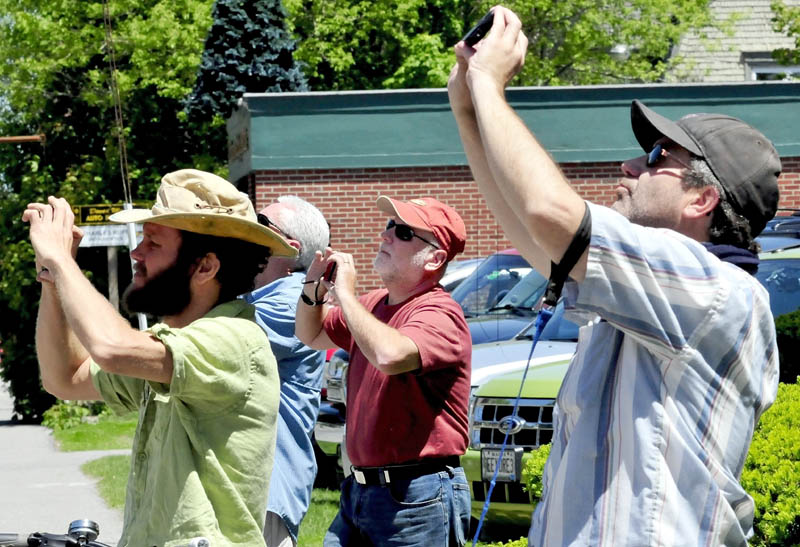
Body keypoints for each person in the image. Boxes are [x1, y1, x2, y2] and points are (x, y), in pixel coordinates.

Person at [448, 7, 780, 546]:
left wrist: (490, 85)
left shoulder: (714, 289)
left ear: (702, 198)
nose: (630, 165)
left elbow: (550, 214)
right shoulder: (655, 293)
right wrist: (468, 111)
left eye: (656, 156)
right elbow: (539, 237)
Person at [23, 169, 298, 547]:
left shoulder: (235, 340)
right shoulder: (170, 347)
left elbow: (111, 348)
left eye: (152, 242)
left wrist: (61, 260)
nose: (136, 253)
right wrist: (52, 276)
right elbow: (65, 379)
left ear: (205, 267)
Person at [295, 196, 473, 546]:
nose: (386, 235)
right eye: (390, 226)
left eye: (404, 231)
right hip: (361, 490)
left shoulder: (440, 313)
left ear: (434, 258)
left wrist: (344, 294)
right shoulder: (374, 303)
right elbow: (311, 333)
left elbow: (390, 355)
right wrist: (312, 291)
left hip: (416, 496)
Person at [242, 196, 330, 547]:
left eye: (260, 223)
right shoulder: (254, 297)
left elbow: (205, 336)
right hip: (248, 486)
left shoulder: (292, 301)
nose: (247, 229)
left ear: (289, 248)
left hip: (265, 490)